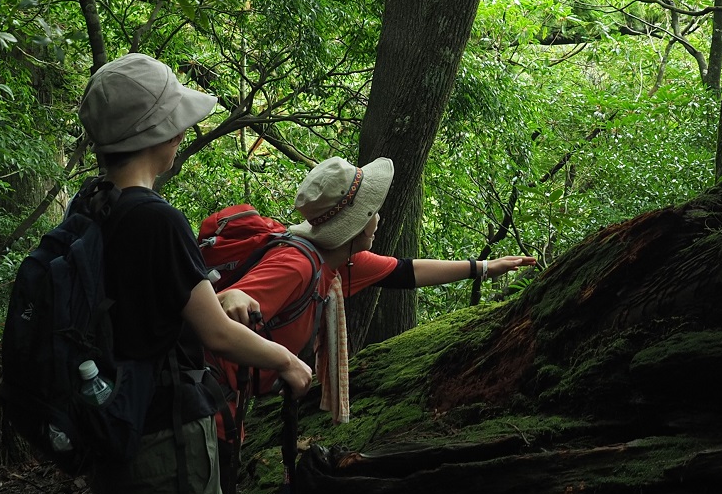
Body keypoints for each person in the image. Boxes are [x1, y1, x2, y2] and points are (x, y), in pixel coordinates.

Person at [77, 52, 312, 494]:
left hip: (113, 434)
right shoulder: (157, 218)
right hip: (165, 446)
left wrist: (219, 294)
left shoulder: (95, 206)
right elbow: (215, 334)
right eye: (177, 122)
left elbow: (163, 305)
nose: (183, 135)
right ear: (157, 134)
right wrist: (288, 361)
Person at [209, 155, 534, 440]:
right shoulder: (297, 265)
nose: (380, 218)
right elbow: (222, 311)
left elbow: (406, 272)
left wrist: (487, 267)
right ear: (357, 224)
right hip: (205, 405)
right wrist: (283, 357)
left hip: (227, 408)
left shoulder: (337, 263)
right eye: (373, 211)